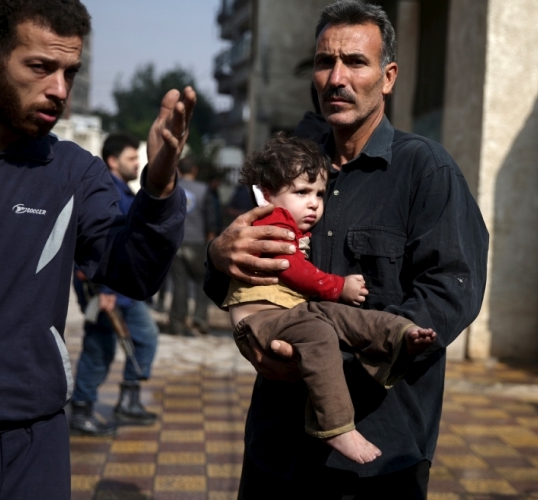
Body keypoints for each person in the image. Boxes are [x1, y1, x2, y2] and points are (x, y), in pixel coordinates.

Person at [204, 1, 488, 498]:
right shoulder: (288, 160)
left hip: (378, 453)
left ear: (389, 76)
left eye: (355, 62)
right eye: (324, 62)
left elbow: (450, 295)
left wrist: (322, 359)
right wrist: (218, 254)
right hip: (279, 445)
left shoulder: (426, 171)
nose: (336, 77)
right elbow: (234, 260)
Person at [0, 0, 195, 497]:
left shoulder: (75, 172)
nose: (59, 90)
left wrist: (158, 186)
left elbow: (135, 272)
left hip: (29, 450)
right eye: (40, 67)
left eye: (70, 72)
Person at [226, 133, 436, 464]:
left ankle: (398, 334)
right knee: (321, 329)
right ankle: (337, 424)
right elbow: (292, 270)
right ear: (266, 195)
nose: (313, 202)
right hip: (263, 320)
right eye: (302, 192)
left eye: (320, 194)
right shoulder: (271, 221)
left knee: (339, 317)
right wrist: (337, 286)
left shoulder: (290, 225)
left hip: (289, 314)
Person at [69, 133, 161, 437]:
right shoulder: (107, 190)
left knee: (144, 337)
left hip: (122, 289)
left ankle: (128, 399)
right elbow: (101, 242)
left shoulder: (122, 189)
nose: (137, 163)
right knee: (99, 347)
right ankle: (81, 409)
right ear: (113, 160)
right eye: (132, 158)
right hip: (106, 289)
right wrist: (106, 290)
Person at [169, 155, 217, 336]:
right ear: (194, 170)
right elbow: (211, 219)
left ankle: (176, 323)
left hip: (176, 241)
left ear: (179, 170)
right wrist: (211, 245)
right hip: (197, 242)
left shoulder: (173, 188)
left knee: (179, 284)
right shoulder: (204, 189)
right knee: (203, 281)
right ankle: (200, 317)